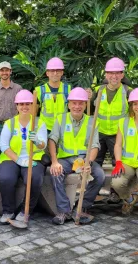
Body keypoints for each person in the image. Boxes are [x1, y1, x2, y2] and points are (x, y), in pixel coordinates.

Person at [49, 87, 105, 225]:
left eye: (81, 103)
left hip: (83, 159)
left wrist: (88, 162)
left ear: (86, 105)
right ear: (69, 105)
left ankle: (81, 208)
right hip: (65, 159)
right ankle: (64, 211)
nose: (77, 106)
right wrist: (55, 161)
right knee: (56, 173)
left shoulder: (92, 122)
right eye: (74, 103)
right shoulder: (60, 119)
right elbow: (52, 140)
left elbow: (94, 146)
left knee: (100, 176)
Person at [0, 90, 47, 228]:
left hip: (33, 158)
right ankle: (8, 211)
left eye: (28, 104)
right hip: (11, 158)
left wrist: (37, 141)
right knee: (6, 178)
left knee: (34, 178)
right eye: (21, 104)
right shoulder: (9, 123)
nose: (25, 107)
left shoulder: (39, 123)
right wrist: (18, 160)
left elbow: (43, 145)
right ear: (17, 106)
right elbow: (4, 146)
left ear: (33, 106)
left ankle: (26, 212)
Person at [88, 57, 131, 203]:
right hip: (99, 133)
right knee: (95, 163)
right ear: (105, 75)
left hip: (118, 135)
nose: (114, 76)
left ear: (122, 75)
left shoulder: (128, 92)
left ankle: (115, 194)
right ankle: (92, 193)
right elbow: (90, 112)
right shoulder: (98, 91)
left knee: (117, 163)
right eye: (111, 73)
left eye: (117, 73)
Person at [111, 88, 138, 215]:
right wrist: (118, 162)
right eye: (135, 103)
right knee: (116, 182)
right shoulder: (124, 122)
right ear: (131, 105)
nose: (137, 106)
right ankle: (129, 199)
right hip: (127, 162)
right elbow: (118, 144)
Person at [35, 57, 72, 132]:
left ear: (62, 72)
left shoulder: (68, 90)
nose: (55, 73)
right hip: (45, 130)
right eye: (52, 71)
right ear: (47, 73)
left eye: (58, 71)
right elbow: (33, 113)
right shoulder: (39, 91)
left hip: (62, 129)